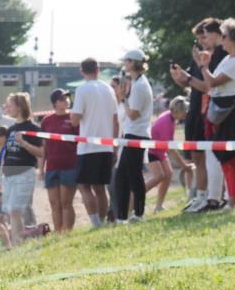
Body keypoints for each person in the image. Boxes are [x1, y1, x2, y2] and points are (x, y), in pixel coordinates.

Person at [170, 19, 229, 213]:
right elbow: (192, 83)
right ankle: (201, 196)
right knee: (197, 157)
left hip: (212, 111)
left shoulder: (222, 55)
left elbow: (207, 86)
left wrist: (188, 77)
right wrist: (181, 78)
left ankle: (215, 197)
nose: (201, 41)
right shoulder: (200, 56)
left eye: (204, 36)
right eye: (198, 37)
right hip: (195, 110)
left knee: (213, 157)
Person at [198, 19, 235, 210]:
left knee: (231, 160)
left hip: (229, 114)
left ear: (234, 38)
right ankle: (231, 200)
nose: (222, 38)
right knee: (224, 159)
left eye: (225, 35)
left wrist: (203, 66)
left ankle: (234, 201)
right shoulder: (228, 59)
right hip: (219, 112)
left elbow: (212, 83)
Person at [71, 57, 117, 228]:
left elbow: (75, 120)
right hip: (106, 144)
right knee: (100, 187)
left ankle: (96, 222)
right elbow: (115, 120)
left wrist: (71, 115)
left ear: (82, 71)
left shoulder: (82, 90)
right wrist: (114, 145)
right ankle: (102, 221)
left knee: (83, 186)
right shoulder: (109, 89)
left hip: (88, 145)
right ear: (98, 70)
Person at [0, 92, 44, 245]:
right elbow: (6, 151)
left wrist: (24, 144)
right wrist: (1, 173)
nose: (8, 108)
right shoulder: (11, 128)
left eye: (10, 105)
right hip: (8, 174)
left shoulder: (32, 128)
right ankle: (18, 244)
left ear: (20, 107)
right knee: (10, 212)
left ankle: (18, 244)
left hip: (24, 173)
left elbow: (41, 152)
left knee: (16, 210)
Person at [112, 50, 154, 222]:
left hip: (136, 133)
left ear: (134, 62)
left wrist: (123, 99)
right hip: (134, 133)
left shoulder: (139, 86)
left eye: (127, 61)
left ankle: (136, 213)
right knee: (126, 175)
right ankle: (126, 215)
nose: (125, 64)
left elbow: (133, 114)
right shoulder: (138, 83)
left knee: (130, 175)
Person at [40, 88, 78, 232]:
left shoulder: (74, 117)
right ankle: (58, 232)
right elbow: (44, 145)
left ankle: (67, 232)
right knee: (54, 203)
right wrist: (41, 168)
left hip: (70, 165)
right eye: (63, 98)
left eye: (67, 97)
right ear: (55, 103)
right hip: (52, 166)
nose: (67, 100)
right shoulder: (47, 120)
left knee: (66, 202)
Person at [146, 96, 193, 211]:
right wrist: (184, 166)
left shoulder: (171, 118)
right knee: (159, 176)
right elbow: (171, 149)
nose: (186, 114)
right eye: (184, 111)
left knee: (168, 174)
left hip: (159, 151)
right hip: (151, 150)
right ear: (177, 111)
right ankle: (135, 197)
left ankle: (158, 206)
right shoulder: (166, 122)